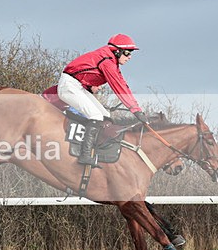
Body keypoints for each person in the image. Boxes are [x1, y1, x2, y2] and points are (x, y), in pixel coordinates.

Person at [57, 33, 149, 165]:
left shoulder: (111, 61)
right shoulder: (107, 62)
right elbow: (119, 87)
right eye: (127, 53)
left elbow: (123, 84)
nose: (130, 57)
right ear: (117, 51)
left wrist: (137, 109)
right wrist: (135, 110)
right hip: (69, 87)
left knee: (105, 116)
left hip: (77, 87)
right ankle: (85, 154)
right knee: (95, 116)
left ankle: (96, 149)